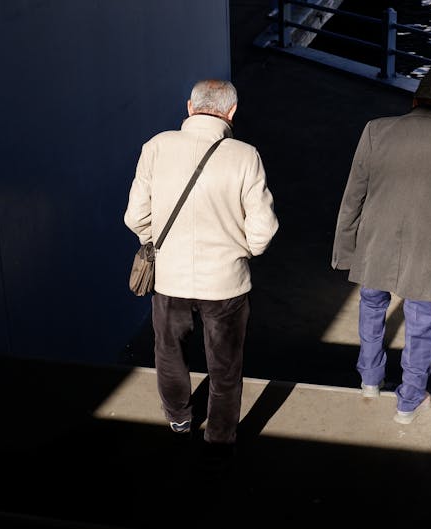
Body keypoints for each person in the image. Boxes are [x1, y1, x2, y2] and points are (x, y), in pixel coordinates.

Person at [124, 79, 278, 455]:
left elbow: (135, 216)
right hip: (226, 285)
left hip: (171, 279)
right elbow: (264, 228)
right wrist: (242, 250)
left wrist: (160, 240)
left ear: (190, 107)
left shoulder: (157, 147)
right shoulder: (245, 155)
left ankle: (178, 419)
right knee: (225, 366)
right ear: (231, 112)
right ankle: (220, 438)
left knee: (169, 352)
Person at [331, 63, 431, 425]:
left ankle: (370, 380)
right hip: (430, 253)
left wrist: (345, 248)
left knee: (371, 308)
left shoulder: (376, 131)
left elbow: (353, 195)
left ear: (415, 100)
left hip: (376, 244)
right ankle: (409, 401)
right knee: (421, 323)